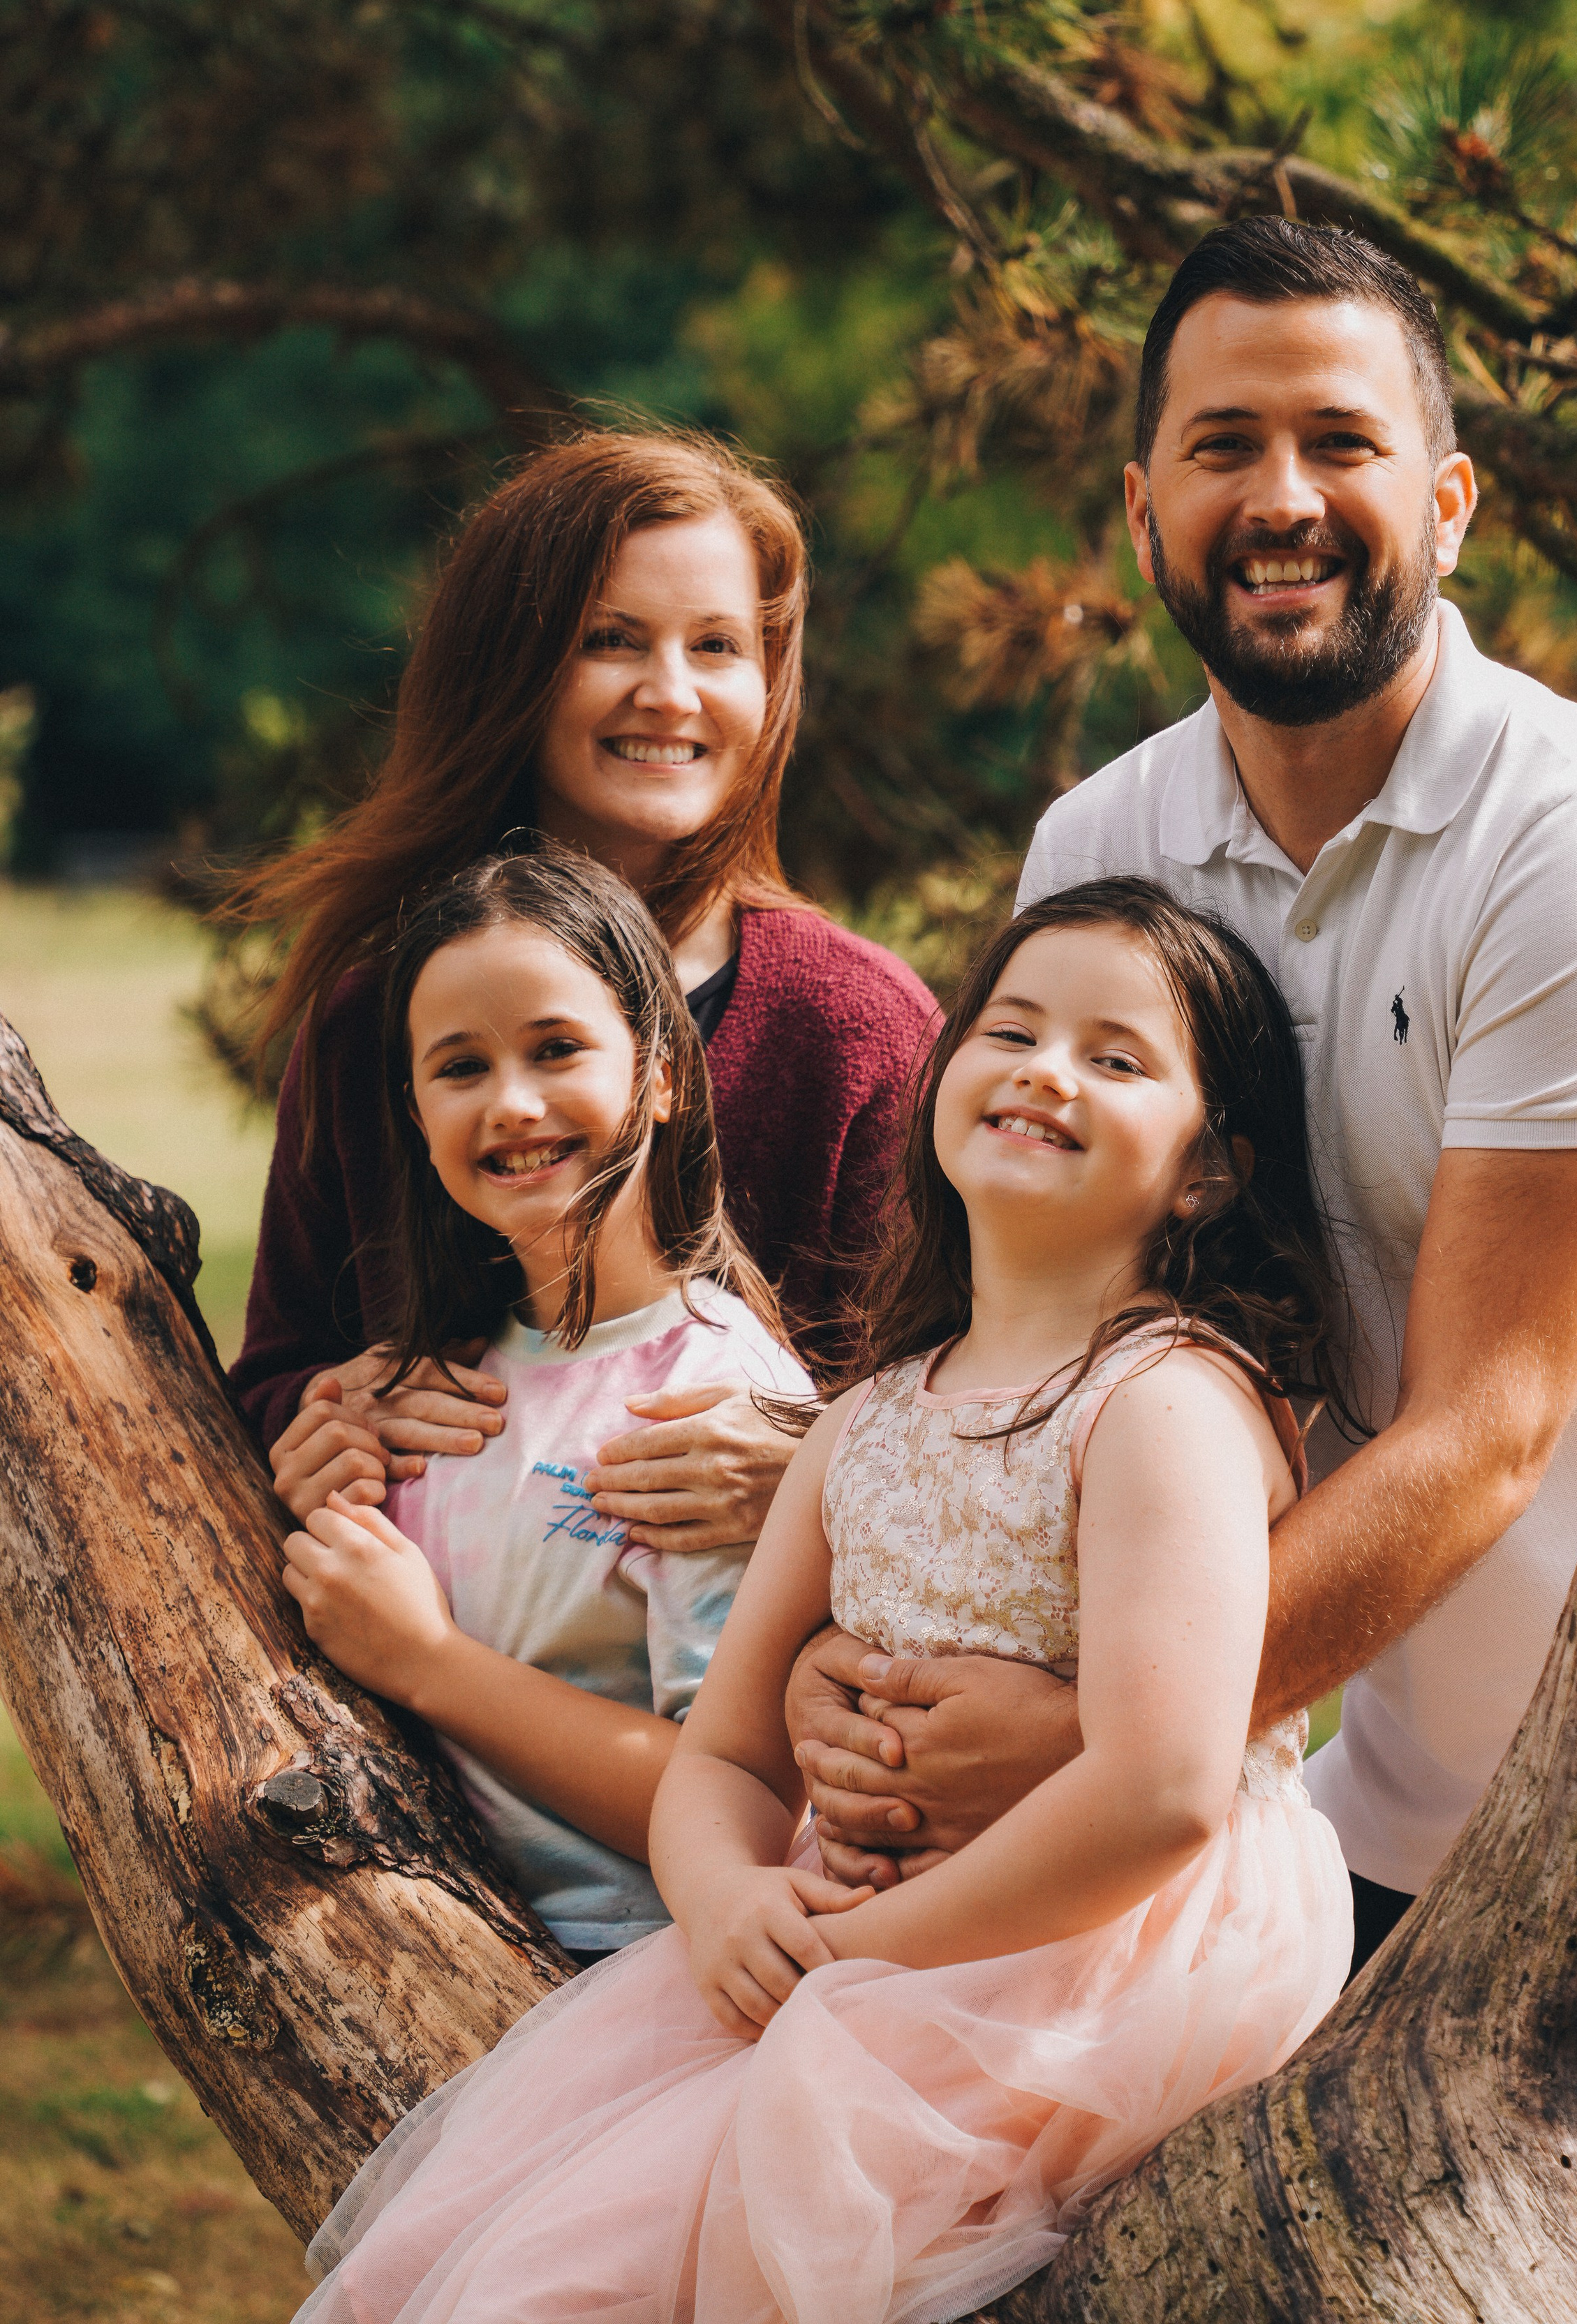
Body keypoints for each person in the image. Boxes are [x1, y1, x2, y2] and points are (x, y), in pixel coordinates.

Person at [787, 218, 1577, 1977]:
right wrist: (844, 1653)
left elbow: (1490, 1418)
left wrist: (1095, 1729)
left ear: (1446, 504)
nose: (1280, 498)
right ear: (1142, 515)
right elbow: (1028, 1354)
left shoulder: (1576, 838)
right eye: (1222, 447)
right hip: (1333, 1821)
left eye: (1339, 441)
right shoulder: (1098, 846)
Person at [291, 877, 1352, 2324]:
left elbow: (1160, 1791)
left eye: (1114, 1057)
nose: (1047, 1070)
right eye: (1012, 1031)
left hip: (1084, 1966)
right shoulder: (863, 1419)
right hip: (845, 1935)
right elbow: (726, 1753)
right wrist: (728, 1898)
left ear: (1207, 1171)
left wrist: (854, 1956)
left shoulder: (1163, 1401)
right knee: (519, 2261)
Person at [229, 427, 935, 1561]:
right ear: (508, 665)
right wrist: (314, 1418)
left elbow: (970, 1402)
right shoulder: (374, 1015)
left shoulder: (856, 1029)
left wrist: (820, 1469)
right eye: (612, 640)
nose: (671, 693)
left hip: (765, 1662)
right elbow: (280, 1363)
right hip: (405, 1643)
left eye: (718, 645)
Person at [277, 847, 815, 1957]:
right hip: (416, 1944)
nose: (513, 1103)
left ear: (662, 1072)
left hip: (632, 1964)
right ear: (416, 1116)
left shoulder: (709, 1404)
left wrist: (429, 1661)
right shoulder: (436, 1390)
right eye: (460, 1067)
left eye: (557, 1048)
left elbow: (745, 1810)